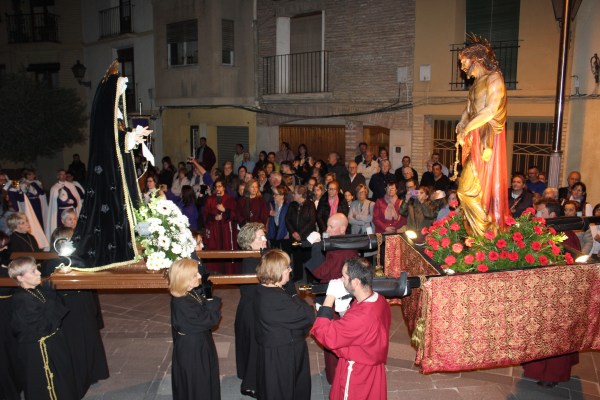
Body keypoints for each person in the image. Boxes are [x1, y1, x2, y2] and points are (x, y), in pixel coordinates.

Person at [71, 60, 152, 269]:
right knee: (114, 206)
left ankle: (134, 241)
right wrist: (132, 136)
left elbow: (119, 137)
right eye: (121, 87)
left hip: (118, 166)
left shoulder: (115, 115)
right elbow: (111, 139)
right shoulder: (106, 115)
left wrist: (133, 136)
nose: (124, 91)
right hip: (109, 172)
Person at [311, 257, 391, 400]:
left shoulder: (361, 318)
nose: (340, 279)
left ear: (356, 282)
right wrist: (343, 312)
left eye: (344, 276)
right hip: (371, 367)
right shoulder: (379, 299)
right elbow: (359, 332)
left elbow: (323, 333)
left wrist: (330, 297)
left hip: (357, 372)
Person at [455, 35, 511, 236]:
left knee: (467, 191)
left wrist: (468, 128)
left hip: (486, 140)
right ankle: (476, 232)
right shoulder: (476, 83)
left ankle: (485, 231)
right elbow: (469, 108)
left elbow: (490, 110)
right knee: (470, 192)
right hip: (474, 138)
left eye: (464, 62)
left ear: (476, 60)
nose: (462, 66)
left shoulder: (494, 78)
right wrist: (462, 123)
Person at [9, 256, 78, 400]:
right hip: (40, 350)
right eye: (33, 271)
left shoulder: (36, 290)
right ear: (20, 277)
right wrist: (51, 300)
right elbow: (43, 327)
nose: (39, 273)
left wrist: (52, 297)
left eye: (37, 269)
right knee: (48, 385)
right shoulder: (22, 299)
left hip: (52, 344)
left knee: (62, 381)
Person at [254, 249, 315, 400]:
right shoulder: (277, 299)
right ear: (277, 271)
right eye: (287, 267)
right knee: (284, 390)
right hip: (283, 354)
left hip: (275, 349)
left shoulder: (262, 290)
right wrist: (294, 294)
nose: (291, 270)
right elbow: (308, 315)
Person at [168, 258, 221, 400]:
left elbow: (199, 303)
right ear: (185, 279)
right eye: (195, 275)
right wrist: (210, 298)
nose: (199, 276)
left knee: (203, 379)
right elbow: (210, 319)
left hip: (198, 342)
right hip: (193, 350)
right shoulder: (182, 303)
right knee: (198, 382)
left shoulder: (187, 293)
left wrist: (205, 292)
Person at [235, 222, 268, 397]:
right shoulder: (251, 260)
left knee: (254, 346)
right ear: (248, 242)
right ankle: (251, 385)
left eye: (264, 235)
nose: (265, 239)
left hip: (253, 306)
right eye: (260, 237)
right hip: (252, 309)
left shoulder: (257, 256)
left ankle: (252, 379)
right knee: (255, 346)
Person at [203, 179, 238, 274]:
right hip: (214, 231)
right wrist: (214, 217)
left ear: (224, 187)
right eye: (216, 187)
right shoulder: (210, 199)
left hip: (226, 231)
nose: (217, 188)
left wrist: (224, 210)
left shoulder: (230, 199)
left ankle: (228, 274)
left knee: (227, 252)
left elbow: (235, 215)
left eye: (220, 186)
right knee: (214, 252)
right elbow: (205, 215)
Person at [285, 185, 317, 281]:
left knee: (308, 258)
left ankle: (310, 279)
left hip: (306, 237)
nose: (293, 195)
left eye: (294, 193)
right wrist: (293, 232)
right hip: (294, 236)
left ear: (300, 194)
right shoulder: (292, 204)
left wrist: (300, 233)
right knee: (296, 257)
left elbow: (312, 221)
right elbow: (287, 219)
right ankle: (297, 276)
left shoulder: (310, 204)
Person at [45, 169, 82, 241]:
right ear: (58, 176)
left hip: (71, 210)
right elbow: (57, 202)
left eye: (65, 174)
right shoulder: (54, 188)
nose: (63, 176)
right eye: (61, 174)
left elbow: (76, 199)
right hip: (60, 212)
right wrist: (68, 201)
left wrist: (71, 201)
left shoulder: (71, 185)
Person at [267, 185, 290, 251]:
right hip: (273, 232)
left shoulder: (288, 206)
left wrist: (288, 232)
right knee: (274, 252)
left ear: (282, 196)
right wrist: (268, 212)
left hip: (284, 232)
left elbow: (291, 221)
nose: (273, 196)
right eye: (273, 194)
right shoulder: (271, 204)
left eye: (276, 194)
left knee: (285, 252)